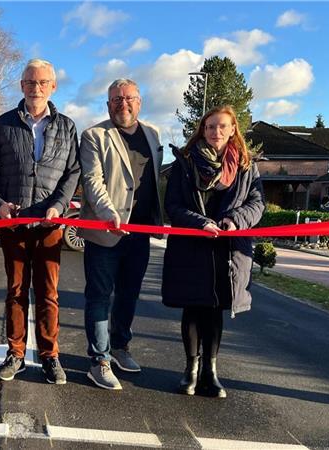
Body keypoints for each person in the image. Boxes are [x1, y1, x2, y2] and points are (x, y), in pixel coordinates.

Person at [0, 59, 80, 385]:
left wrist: (59, 205)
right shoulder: (3, 124)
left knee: (48, 293)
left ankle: (49, 356)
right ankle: (15, 354)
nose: (35, 88)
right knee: (15, 292)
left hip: (50, 226)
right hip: (13, 225)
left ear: (53, 86)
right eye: (29, 82)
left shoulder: (67, 126)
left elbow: (73, 173)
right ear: (21, 85)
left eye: (42, 82)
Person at [162, 105, 264, 398]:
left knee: (216, 310)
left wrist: (235, 220)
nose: (215, 132)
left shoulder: (247, 166)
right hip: (191, 247)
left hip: (228, 250)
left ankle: (211, 373)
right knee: (193, 308)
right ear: (202, 131)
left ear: (233, 130)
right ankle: (190, 372)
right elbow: (173, 205)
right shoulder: (184, 162)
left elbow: (257, 204)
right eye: (210, 127)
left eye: (222, 126)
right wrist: (201, 222)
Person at [78, 78, 164, 390]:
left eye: (128, 98)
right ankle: (98, 360)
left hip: (140, 234)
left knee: (129, 294)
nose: (122, 104)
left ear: (139, 102)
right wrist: (108, 213)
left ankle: (119, 347)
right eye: (115, 99)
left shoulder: (153, 135)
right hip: (105, 232)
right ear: (107, 105)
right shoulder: (93, 136)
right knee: (99, 296)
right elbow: (92, 180)